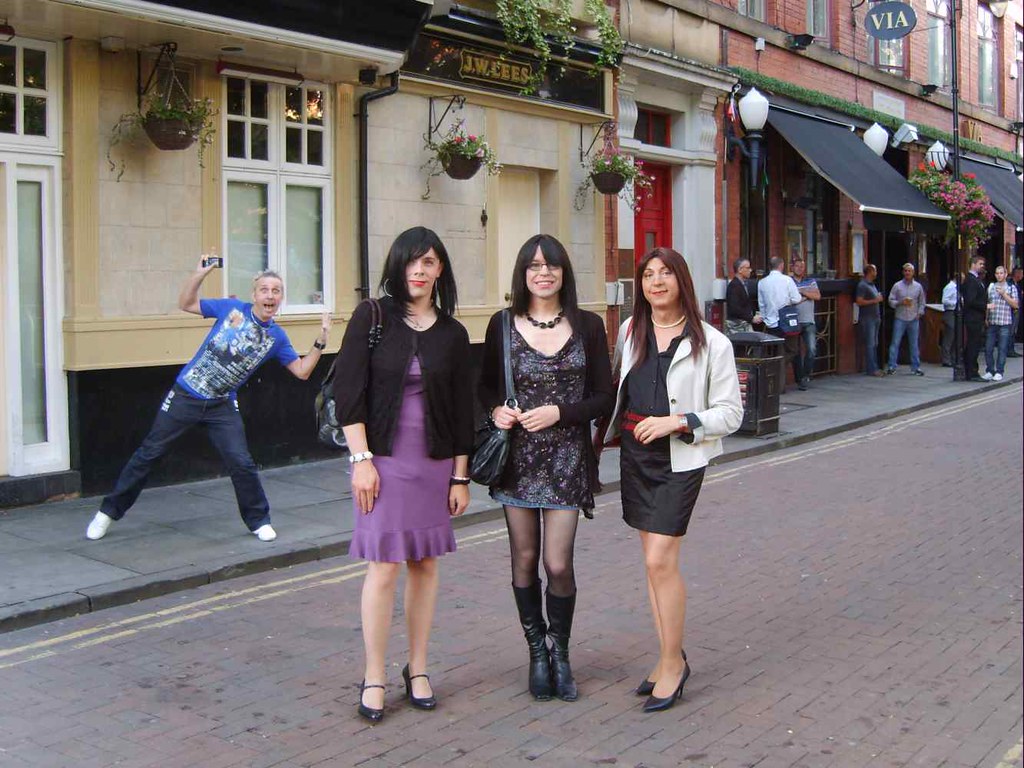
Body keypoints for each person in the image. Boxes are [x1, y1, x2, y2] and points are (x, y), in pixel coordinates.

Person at [333, 227, 474, 723]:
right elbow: (347, 392)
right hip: (383, 462)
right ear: (398, 265)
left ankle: (418, 668)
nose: (419, 269)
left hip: (434, 463)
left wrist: (460, 477)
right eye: (412, 261)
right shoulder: (372, 316)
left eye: (429, 262)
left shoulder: (453, 334)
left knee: (425, 565)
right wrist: (361, 461)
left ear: (440, 270)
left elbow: (462, 410)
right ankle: (374, 674)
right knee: (384, 566)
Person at [85, 262, 331, 543]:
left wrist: (320, 342)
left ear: (281, 299)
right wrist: (201, 273)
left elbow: (302, 371)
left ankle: (259, 521)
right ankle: (107, 513)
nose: (270, 296)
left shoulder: (276, 337)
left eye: (276, 291)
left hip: (221, 405)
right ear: (254, 295)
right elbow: (186, 303)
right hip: (186, 394)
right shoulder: (231, 309)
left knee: (241, 462)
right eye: (264, 290)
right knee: (150, 454)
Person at [603, 247, 742, 713]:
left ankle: (672, 664)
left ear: (682, 280)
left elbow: (731, 413)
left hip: (679, 461)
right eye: (648, 274)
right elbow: (620, 387)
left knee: (660, 559)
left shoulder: (712, 342)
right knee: (653, 564)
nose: (656, 281)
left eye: (665, 273)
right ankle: (668, 656)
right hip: (636, 457)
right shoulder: (630, 330)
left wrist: (678, 421)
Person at [479, 235, 614, 703]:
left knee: (557, 563)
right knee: (523, 559)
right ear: (523, 274)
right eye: (534, 266)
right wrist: (495, 411)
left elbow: (604, 397)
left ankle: (562, 653)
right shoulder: (501, 325)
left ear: (563, 273)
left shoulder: (588, 325)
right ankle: (537, 653)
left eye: (551, 265)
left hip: (567, 460)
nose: (543, 273)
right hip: (516, 462)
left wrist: (561, 412)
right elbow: (484, 388)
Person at [756, 256, 801, 390]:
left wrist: (765, 318)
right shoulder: (787, 280)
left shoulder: (762, 282)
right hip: (787, 321)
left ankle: (775, 385)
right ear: (781, 265)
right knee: (792, 350)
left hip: (771, 323)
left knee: (774, 353)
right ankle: (778, 381)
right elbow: (796, 298)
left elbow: (761, 304)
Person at [885, 263, 926, 376]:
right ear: (903, 272)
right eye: (906, 271)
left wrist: (920, 313)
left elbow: (922, 302)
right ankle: (892, 366)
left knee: (914, 343)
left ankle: (915, 367)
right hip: (900, 317)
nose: (907, 273)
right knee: (895, 342)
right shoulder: (897, 286)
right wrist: (899, 302)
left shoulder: (918, 286)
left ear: (913, 273)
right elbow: (890, 300)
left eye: (909, 271)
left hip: (913, 318)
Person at [982, 265, 1019, 381]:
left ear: (1006, 274)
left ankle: (999, 371)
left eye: (1001, 273)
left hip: (1005, 322)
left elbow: (1016, 305)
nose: (999, 275)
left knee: (1002, 349)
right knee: (988, 348)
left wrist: (1004, 294)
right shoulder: (991, 287)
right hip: (992, 321)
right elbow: (987, 303)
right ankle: (989, 370)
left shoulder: (1011, 288)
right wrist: (986, 318)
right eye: (997, 273)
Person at [790, 257, 820, 390]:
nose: (799, 269)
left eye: (802, 266)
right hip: (793, 321)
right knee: (795, 352)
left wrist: (802, 292)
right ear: (792, 267)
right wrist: (807, 296)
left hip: (808, 321)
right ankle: (800, 379)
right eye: (797, 266)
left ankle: (806, 375)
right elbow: (790, 299)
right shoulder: (788, 281)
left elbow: (817, 296)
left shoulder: (810, 281)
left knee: (812, 349)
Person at [855, 264, 885, 376]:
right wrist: (875, 300)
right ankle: (871, 369)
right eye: (875, 270)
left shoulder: (872, 285)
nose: (876, 273)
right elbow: (859, 301)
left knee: (875, 343)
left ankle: (875, 367)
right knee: (870, 344)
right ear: (870, 271)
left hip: (875, 317)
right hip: (867, 318)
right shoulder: (862, 285)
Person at [961, 256, 988, 381]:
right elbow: (970, 301)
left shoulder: (976, 279)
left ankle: (971, 370)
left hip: (977, 318)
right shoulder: (971, 280)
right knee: (973, 345)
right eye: (980, 264)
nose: (982, 266)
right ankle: (971, 372)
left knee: (975, 344)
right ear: (973, 264)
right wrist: (985, 306)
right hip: (973, 318)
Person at [725, 258, 761, 336]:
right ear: (740, 270)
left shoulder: (743, 284)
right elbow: (735, 308)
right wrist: (751, 318)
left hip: (744, 324)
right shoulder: (734, 286)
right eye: (748, 268)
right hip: (738, 327)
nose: (750, 270)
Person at [940, 274, 960, 367]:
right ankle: (946, 359)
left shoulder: (957, 287)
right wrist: (956, 303)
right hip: (950, 312)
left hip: (956, 313)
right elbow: (945, 300)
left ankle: (953, 358)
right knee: (949, 336)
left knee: (955, 336)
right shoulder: (950, 287)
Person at [1008, 266, 1023, 357]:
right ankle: (1009, 350)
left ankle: (1011, 349)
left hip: (1016, 310)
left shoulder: (1016, 284)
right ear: (1017, 274)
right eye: (1021, 273)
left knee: (1014, 331)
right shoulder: (1010, 284)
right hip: (1012, 311)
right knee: (1011, 331)